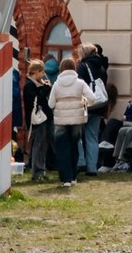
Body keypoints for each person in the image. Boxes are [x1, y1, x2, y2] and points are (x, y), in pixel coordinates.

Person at [47, 54, 91, 187]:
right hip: (77, 119)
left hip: (61, 120)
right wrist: (84, 102)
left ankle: (65, 179)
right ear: (74, 67)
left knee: (62, 149)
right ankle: (73, 177)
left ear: (61, 68)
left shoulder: (56, 84)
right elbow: (92, 97)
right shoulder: (80, 83)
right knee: (74, 147)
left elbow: (50, 104)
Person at [77, 41, 109, 176]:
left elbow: (79, 85)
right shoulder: (102, 67)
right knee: (92, 137)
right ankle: (92, 168)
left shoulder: (83, 66)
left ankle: (80, 162)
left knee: (77, 135)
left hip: (85, 105)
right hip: (98, 106)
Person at [22, 59, 53, 181]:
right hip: (37, 119)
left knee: (43, 144)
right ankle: (37, 172)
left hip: (44, 117)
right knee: (38, 145)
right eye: (41, 71)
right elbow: (36, 100)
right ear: (36, 72)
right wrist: (45, 89)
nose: (43, 74)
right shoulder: (29, 85)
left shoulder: (36, 84)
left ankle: (41, 169)